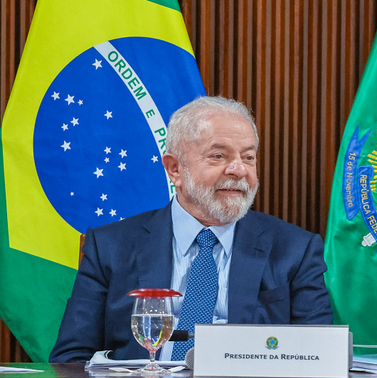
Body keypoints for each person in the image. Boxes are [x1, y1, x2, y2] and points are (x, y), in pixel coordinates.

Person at [50, 96, 333, 363]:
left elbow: (319, 356)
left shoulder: (295, 249)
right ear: (175, 169)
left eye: (248, 157)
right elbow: (72, 359)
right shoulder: (110, 246)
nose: (238, 169)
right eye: (218, 156)